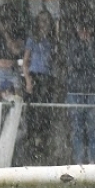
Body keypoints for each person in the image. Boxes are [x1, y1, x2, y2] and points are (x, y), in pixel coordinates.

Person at [62, 20, 95, 165]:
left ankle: (92, 161)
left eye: (87, 28)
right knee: (77, 128)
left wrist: (90, 47)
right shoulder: (72, 45)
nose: (84, 32)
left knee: (93, 128)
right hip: (75, 91)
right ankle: (78, 161)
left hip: (93, 92)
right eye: (81, 28)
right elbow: (75, 64)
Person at [22, 10, 58, 161]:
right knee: (33, 112)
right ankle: (32, 143)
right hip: (35, 76)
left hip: (48, 77)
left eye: (46, 21)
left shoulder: (52, 41)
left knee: (45, 112)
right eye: (41, 20)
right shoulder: (33, 40)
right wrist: (28, 80)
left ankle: (42, 143)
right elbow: (25, 62)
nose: (44, 24)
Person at [0, 11, 24, 101]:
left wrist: (6, 33)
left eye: (7, 21)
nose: (5, 24)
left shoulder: (17, 33)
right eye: (3, 21)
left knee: (17, 100)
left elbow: (15, 50)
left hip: (12, 71)